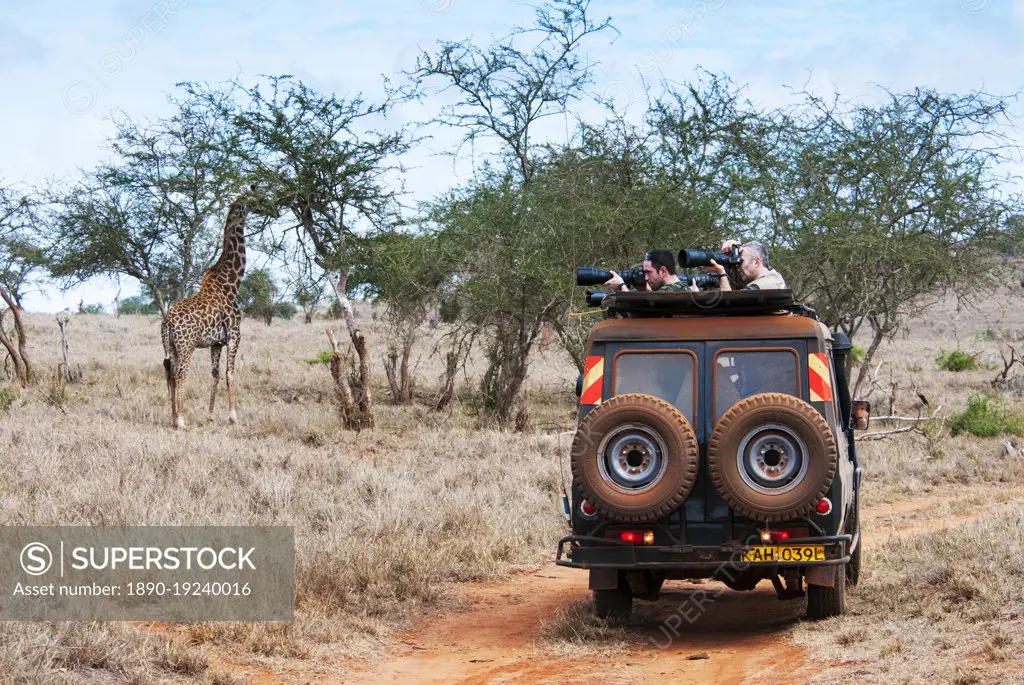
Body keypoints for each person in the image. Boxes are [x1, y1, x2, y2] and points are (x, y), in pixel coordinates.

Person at [697, 239, 786, 291]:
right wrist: (732, 251)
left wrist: (722, 274)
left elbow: (732, 304)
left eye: (741, 261)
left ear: (757, 262)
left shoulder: (765, 284)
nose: (739, 266)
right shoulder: (773, 276)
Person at [604, 250, 690, 292]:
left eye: (649, 272)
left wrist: (621, 285)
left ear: (663, 271)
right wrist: (642, 290)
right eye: (644, 273)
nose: (645, 278)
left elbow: (635, 310)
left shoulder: (670, 293)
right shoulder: (684, 288)